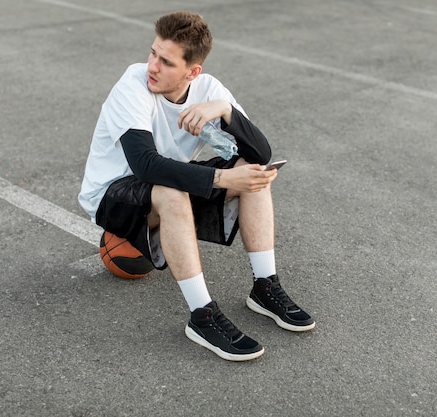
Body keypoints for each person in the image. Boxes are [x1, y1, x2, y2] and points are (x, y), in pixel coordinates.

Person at [78, 11, 314, 361]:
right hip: (114, 195)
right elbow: (145, 165)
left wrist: (226, 111)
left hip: (169, 179)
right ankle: (202, 317)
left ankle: (266, 286)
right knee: (172, 191)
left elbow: (261, 152)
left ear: (192, 72)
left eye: (166, 62)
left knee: (253, 171)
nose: (152, 67)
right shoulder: (132, 85)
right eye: (153, 53)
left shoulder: (209, 89)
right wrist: (220, 179)